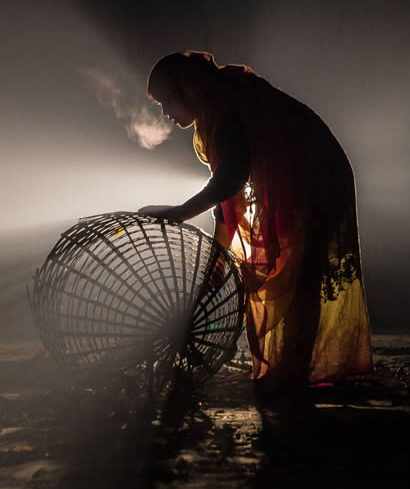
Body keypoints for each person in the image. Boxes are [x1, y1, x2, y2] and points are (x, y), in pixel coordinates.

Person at [141, 51, 372, 390]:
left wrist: (179, 212)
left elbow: (231, 180)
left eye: (166, 101)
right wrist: (215, 270)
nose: (164, 113)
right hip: (303, 175)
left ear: (188, 89)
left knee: (302, 275)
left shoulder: (226, 105)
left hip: (315, 176)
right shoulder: (216, 108)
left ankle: (292, 375)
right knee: (298, 274)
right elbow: (226, 199)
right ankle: (292, 372)